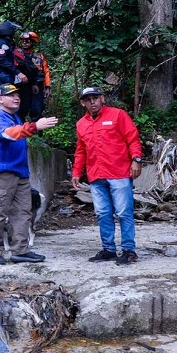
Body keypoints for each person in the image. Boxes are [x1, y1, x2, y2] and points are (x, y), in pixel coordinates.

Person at [0, 84, 58, 264]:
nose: (16, 98)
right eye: (11, 95)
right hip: (2, 171)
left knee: (23, 212)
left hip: (20, 171)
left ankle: (20, 250)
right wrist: (34, 126)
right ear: (0, 98)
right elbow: (8, 134)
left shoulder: (14, 117)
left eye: (18, 95)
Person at [71, 87, 144, 265]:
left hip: (118, 171)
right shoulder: (81, 124)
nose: (93, 102)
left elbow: (132, 138)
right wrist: (76, 172)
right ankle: (109, 249)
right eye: (88, 100)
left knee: (123, 212)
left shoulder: (118, 115)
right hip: (96, 174)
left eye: (96, 98)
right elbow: (81, 150)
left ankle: (128, 250)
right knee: (103, 213)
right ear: (83, 103)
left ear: (102, 98)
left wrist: (136, 160)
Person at [18, 31, 52, 122]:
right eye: (23, 41)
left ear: (32, 42)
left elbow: (46, 71)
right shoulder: (17, 55)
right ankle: (21, 129)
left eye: (27, 41)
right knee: (22, 108)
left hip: (38, 85)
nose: (24, 43)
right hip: (22, 86)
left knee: (37, 109)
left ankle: (37, 130)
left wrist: (47, 87)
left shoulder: (39, 56)